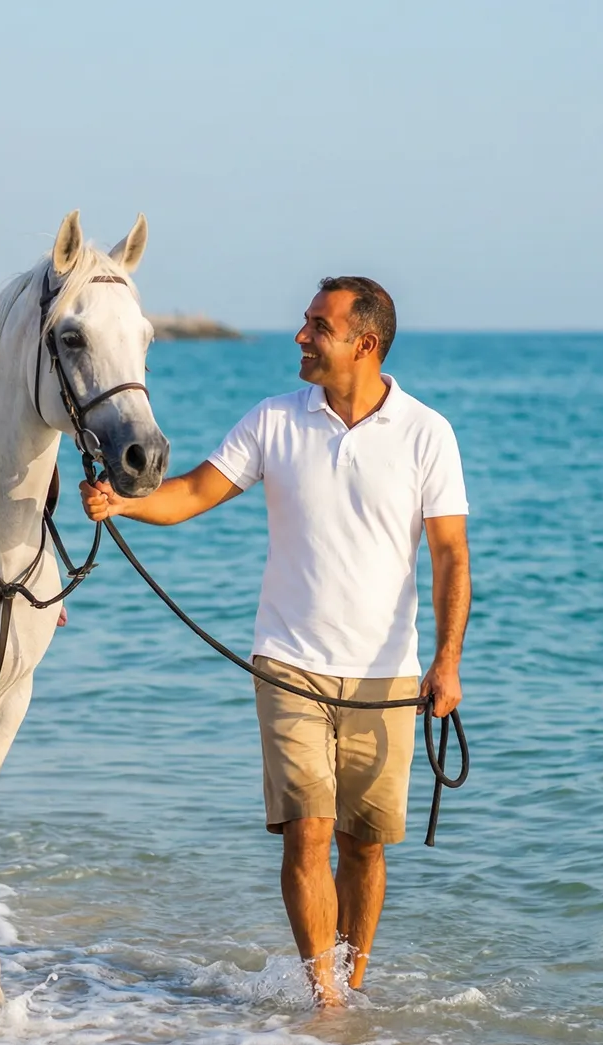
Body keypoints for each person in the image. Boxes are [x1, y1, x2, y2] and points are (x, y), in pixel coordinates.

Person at [80, 276, 471, 1007]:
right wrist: (124, 503)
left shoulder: (427, 433)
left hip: (388, 674)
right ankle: (325, 1000)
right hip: (289, 663)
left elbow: (451, 554)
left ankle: (353, 980)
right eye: (305, 322)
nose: (300, 335)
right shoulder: (273, 421)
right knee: (308, 833)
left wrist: (447, 661)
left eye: (317, 326)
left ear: (365, 343)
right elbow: (194, 492)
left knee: (365, 844)